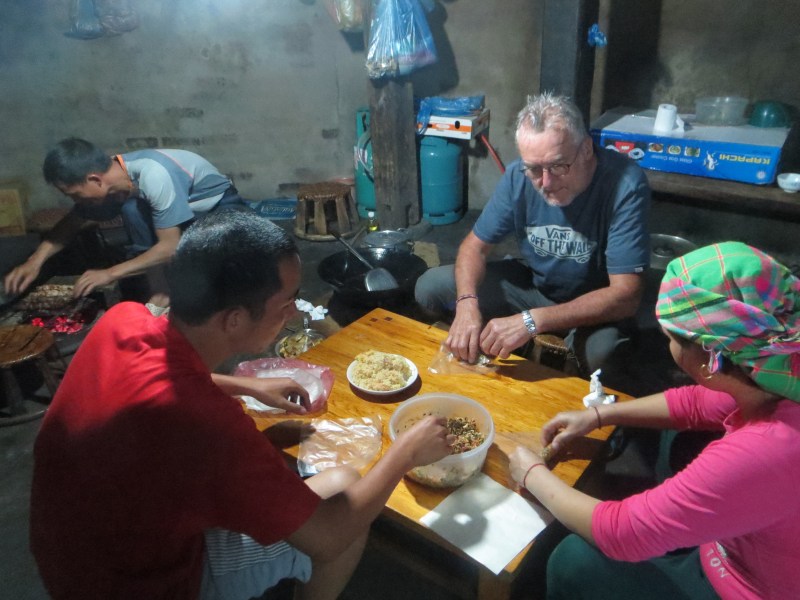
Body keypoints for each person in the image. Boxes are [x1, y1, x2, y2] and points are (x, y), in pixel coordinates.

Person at [30, 210, 454, 600]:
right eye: (286, 303)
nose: (293, 313)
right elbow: (328, 537)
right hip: (137, 583)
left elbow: (159, 378)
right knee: (345, 502)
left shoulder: (123, 320)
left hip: (68, 551)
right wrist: (404, 453)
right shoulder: (208, 428)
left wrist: (248, 387)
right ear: (233, 319)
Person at [509, 241, 800, 600]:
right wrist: (599, 415)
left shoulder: (768, 450)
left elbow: (622, 533)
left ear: (710, 359)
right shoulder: (774, 368)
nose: (668, 346)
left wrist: (530, 473)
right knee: (672, 444)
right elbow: (695, 403)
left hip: (744, 588)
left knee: (572, 562)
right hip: (735, 549)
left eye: (671, 338)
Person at [414, 92, 650, 373]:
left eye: (558, 166)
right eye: (535, 169)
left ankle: (559, 364)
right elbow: (474, 247)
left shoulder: (624, 184)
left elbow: (626, 295)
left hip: (593, 302)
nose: (546, 182)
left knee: (603, 354)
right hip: (536, 287)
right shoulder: (518, 176)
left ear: (586, 149)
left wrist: (532, 321)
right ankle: (503, 344)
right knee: (430, 287)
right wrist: (466, 304)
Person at [4, 137, 250, 299]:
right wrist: (34, 262)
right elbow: (72, 222)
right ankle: (160, 294)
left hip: (217, 209)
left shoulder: (154, 174)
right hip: (177, 216)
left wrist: (110, 273)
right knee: (132, 209)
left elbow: (170, 247)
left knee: (217, 273)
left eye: (76, 195)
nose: (76, 202)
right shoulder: (113, 180)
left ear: (94, 180)